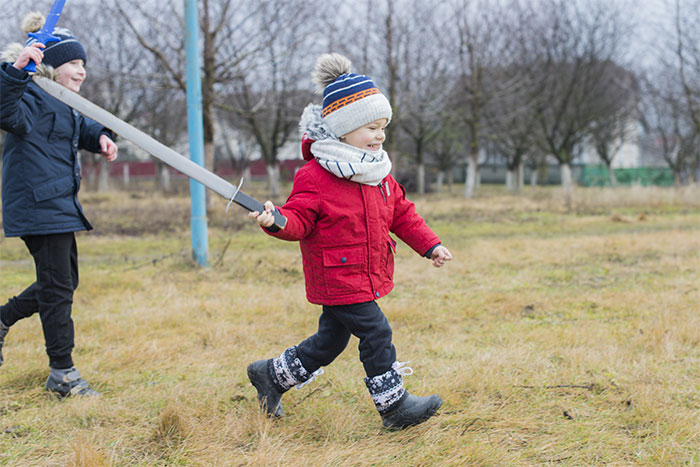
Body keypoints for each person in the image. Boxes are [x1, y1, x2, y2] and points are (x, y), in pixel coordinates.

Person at [246, 53, 452, 429]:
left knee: (330, 341)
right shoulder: (316, 175)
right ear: (343, 129)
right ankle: (394, 407)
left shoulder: (378, 173)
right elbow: (300, 220)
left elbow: (402, 214)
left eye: (383, 127)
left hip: (366, 272)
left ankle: (271, 376)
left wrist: (430, 245)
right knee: (376, 331)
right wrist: (276, 221)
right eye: (370, 127)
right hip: (337, 276)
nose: (380, 136)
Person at [0, 13, 118, 397]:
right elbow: (4, 110)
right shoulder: (30, 93)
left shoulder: (62, 102)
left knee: (64, 283)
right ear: (49, 63)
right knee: (57, 289)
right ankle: (63, 374)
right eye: (73, 63)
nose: (81, 72)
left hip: (57, 203)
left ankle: (3, 318)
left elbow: (75, 128)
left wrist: (99, 135)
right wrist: (17, 72)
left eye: (83, 64)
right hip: (38, 204)